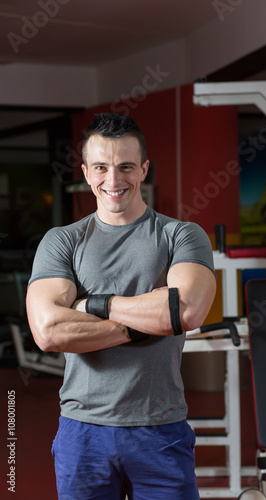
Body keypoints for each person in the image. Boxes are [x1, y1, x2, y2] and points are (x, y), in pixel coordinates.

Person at [26, 112, 216, 500]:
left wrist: (94, 304)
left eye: (126, 166)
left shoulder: (180, 235)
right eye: (101, 167)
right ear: (85, 171)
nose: (113, 181)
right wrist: (147, 322)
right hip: (83, 431)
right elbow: (48, 332)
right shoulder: (62, 241)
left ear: (144, 169)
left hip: (159, 428)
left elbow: (186, 312)